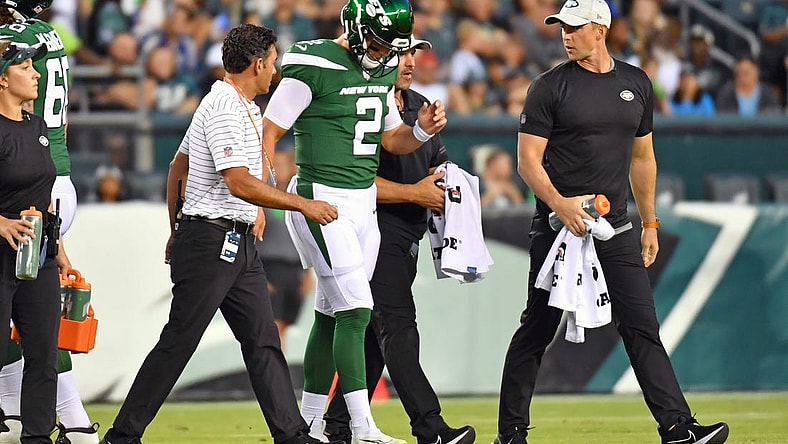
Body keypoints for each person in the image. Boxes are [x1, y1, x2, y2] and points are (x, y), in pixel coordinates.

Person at [492, 1, 730, 444]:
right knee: (538, 328)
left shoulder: (636, 83)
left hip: (615, 229)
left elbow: (643, 158)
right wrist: (560, 205)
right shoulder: (548, 87)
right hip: (558, 230)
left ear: (601, 29)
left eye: (575, 27)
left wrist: (651, 222)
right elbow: (528, 162)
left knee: (641, 326)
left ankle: (678, 428)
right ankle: (510, 434)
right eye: (562, 27)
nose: (566, 35)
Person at [99, 23, 339, 444]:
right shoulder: (226, 107)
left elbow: (180, 167)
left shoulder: (232, 102)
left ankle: (291, 434)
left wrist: (179, 229)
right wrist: (301, 203)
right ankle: (122, 436)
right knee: (179, 342)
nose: (275, 71)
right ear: (257, 63)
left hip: (232, 241)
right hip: (213, 242)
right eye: (273, 62)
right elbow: (237, 181)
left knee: (263, 341)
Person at [261, 0, 447, 443]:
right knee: (357, 311)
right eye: (381, 44)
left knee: (329, 315)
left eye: (393, 49)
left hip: (364, 203)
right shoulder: (314, 62)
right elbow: (269, 132)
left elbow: (388, 139)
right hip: (321, 199)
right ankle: (362, 426)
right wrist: (258, 198)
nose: (386, 56)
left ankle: (308, 424)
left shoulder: (380, 71)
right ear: (357, 30)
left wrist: (420, 130)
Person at [321, 37, 476, 444]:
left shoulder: (419, 103)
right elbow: (352, 180)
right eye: (398, 54)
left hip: (409, 235)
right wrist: (414, 193)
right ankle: (430, 427)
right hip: (375, 230)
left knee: (376, 339)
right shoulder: (360, 103)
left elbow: (436, 161)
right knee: (398, 328)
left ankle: (335, 428)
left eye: (411, 54)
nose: (407, 62)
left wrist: (449, 184)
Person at [0, 1, 102, 442]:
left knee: (37, 322)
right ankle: (42, 417)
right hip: (54, 173)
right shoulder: (48, 35)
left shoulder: (15, 45)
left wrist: (56, 243)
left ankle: (60, 418)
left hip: (35, 181)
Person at [0, 38, 70, 444]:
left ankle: (38, 437)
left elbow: (42, 196)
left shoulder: (38, 128)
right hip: (1, 252)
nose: (36, 74)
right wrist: (1, 223)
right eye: (25, 68)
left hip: (36, 254)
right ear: (3, 80)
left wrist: (58, 247)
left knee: (44, 353)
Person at [715, 54, 782, 116]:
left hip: (761, 128)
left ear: (756, 71)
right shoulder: (726, 93)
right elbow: (722, 119)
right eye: (740, 73)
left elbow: (774, 116)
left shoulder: (768, 93)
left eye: (746, 73)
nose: (743, 77)